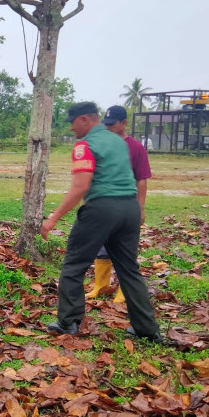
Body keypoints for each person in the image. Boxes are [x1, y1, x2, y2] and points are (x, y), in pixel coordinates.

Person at [40, 101, 162, 343]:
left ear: (85, 119)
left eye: (73, 122)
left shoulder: (84, 145)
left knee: (74, 265)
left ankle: (68, 322)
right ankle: (147, 330)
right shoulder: (118, 141)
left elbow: (81, 186)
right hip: (130, 209)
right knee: (129, 269)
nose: (72, 128)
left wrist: (53, 217)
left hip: (101, 208)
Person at [86, 105, 152, 304]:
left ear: (124, 123)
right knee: (101, 247)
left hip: (126, 205)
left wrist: (140, 207)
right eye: (105, 124)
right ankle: (101, 285)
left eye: (112, 124)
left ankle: (124, 290)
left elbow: (141, 179)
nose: (108, 128)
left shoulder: (135, 147)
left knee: (125, 250)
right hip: (103, 205)